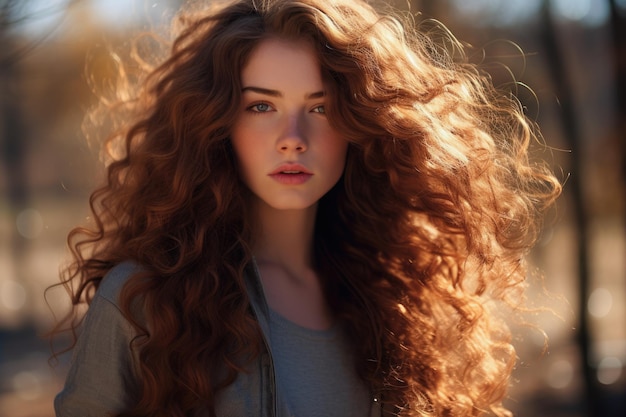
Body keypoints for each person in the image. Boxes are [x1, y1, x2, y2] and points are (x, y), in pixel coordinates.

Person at [50, 0, 561, 416]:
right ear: (216, 124)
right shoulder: (146, 298)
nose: (292, 139)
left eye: (320, 108)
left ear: (362, 124)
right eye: (261, 107)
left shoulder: (398, 304)